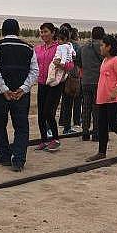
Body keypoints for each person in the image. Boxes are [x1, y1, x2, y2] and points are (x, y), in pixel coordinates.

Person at [0, 18, 39, 172]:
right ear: (18, 31)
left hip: (0, 95)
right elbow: (34, 71)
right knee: (21, 126)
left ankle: (4, 156)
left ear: (2, 31)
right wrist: (23, 88)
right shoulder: (29, 48)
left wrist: (4, 89)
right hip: (21, 95)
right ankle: (18, 160)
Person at [85, 34, 117, 161]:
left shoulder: (116, 60)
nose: (100, 47)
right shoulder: (105, 60)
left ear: (109, 47)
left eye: (102, 45)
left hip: (115, 99)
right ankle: (101, 152)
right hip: (103, 98)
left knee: (113, 124)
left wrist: (115, 91)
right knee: (101, 125)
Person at [35, 22, 73, 151]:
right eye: (41, 32)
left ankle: (55, 139)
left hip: (55, 84)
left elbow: (70, 65)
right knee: (40, 113)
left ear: (53, 33)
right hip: (42, 82)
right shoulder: (38, 48)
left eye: (46, 31)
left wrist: (61, 65)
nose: (43, 34)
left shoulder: (60, 47)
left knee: (48, 112)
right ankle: (44, 139)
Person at [78, 26, 105, 141]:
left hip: (85, 81)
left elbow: (78, 62)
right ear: (102, 35)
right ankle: (96, 133)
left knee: (86, 107)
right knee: (96, 108)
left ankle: (85, 132)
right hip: (98, 81)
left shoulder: (83, 47)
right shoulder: (102, 47)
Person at [59, 25, 82, 134]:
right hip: (71, 77)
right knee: (71, 100)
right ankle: (69, 125)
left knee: (62, 101)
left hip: (59, 77)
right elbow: (78, 60)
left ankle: (62, 122)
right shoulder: (75, 46)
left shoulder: (57, 45)